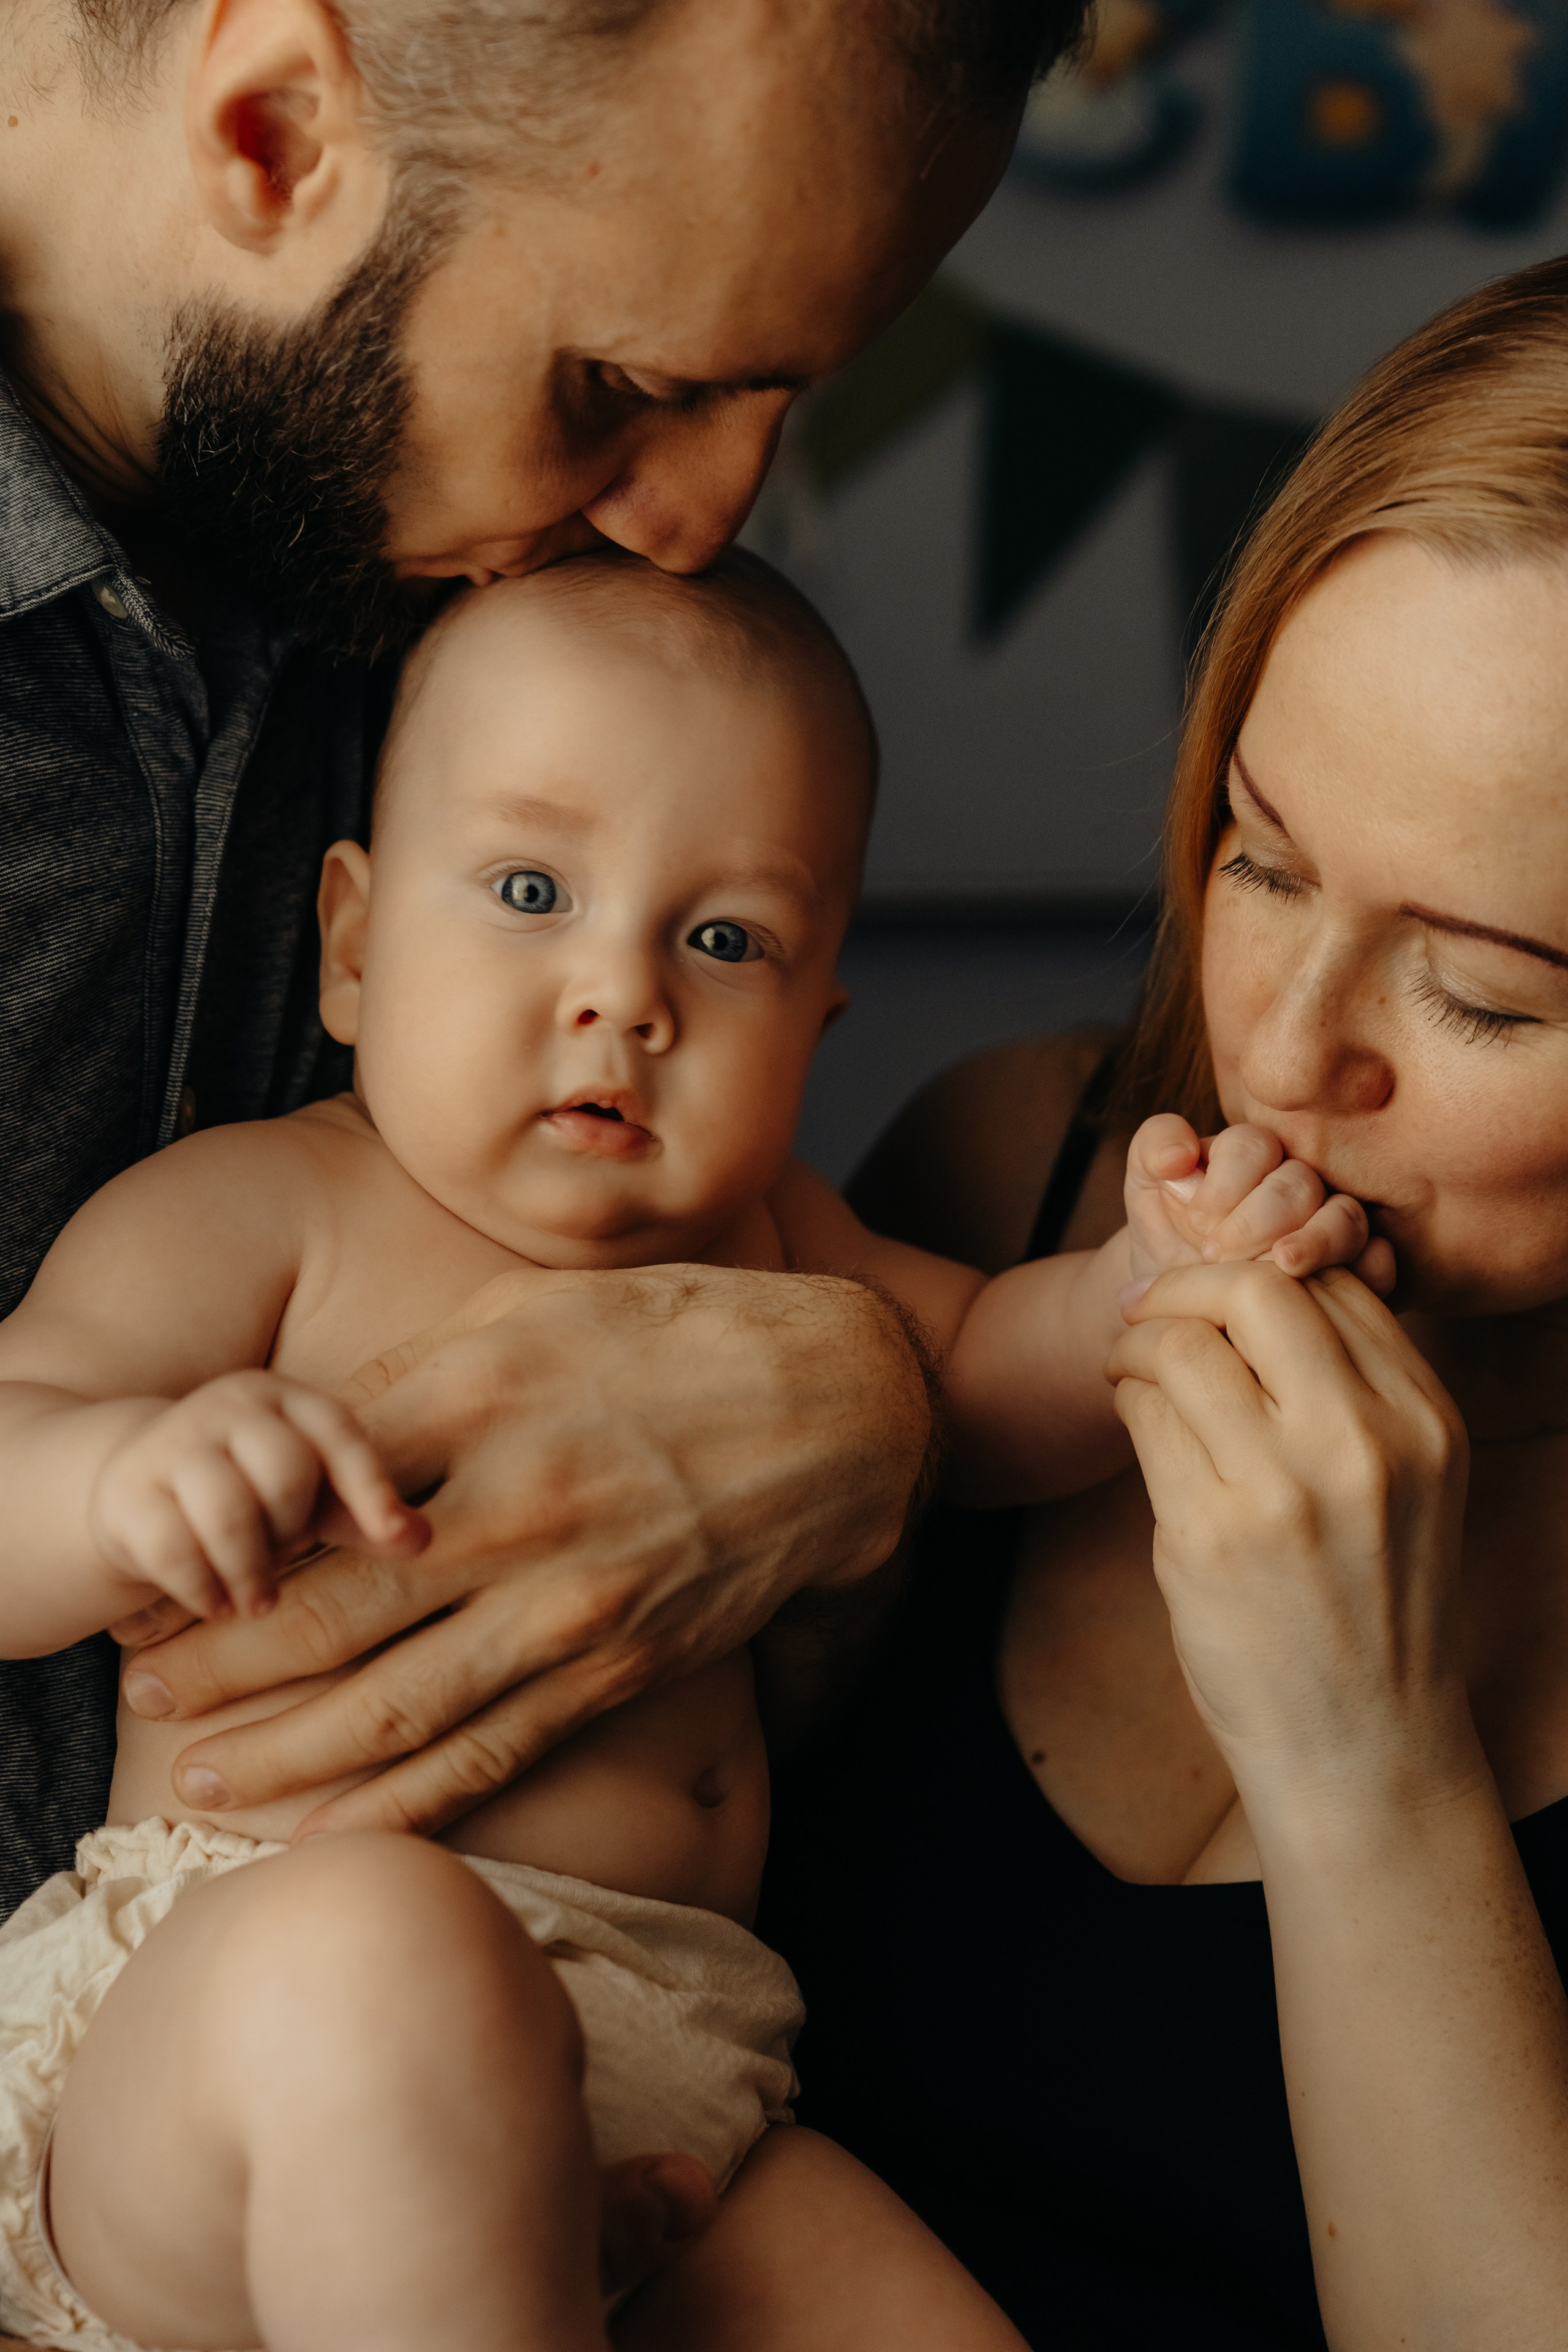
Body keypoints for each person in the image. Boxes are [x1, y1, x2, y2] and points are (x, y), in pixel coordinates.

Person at [0, 547, 1363, 2352]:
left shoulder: (782, 1242)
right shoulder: (262, 1213)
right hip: (245, 2019)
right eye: (530, 890)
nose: (623, 993)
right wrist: (123, 1485)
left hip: (676, 2073)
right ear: (353, 942)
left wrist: (1146, 1275)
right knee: (392, 1961)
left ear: (815, 1024)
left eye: (725, 941)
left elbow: (984, 1384)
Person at [0, 0, 1091, 1929]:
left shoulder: (483, 603)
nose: (695, 531)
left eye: (779, 403)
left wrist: (867, 1392)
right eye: (626, 383)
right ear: (273, 134)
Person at [764, 254, 1568, 2352]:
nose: (1281, 1053)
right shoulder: (998, 1187)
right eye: (1264, 861)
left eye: (1484, 993)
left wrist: (1365, 1756)